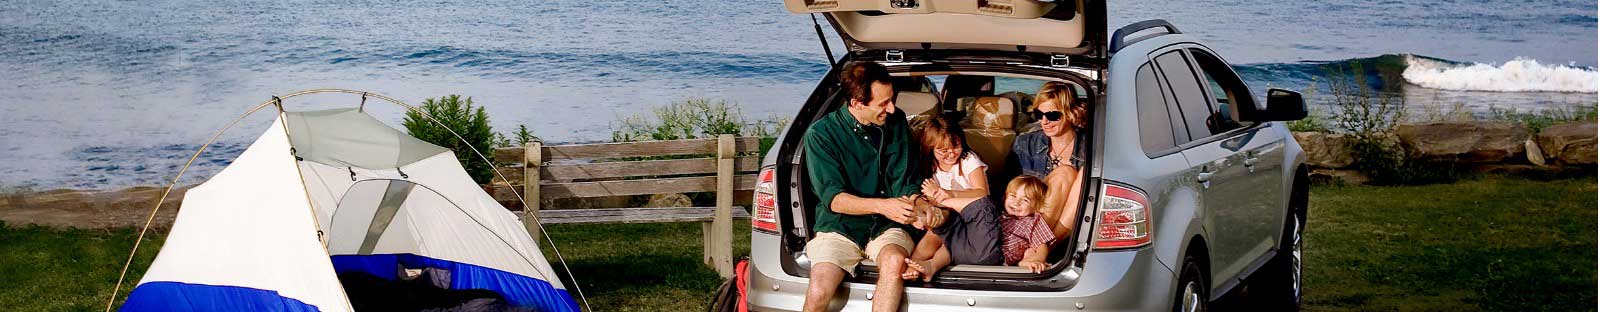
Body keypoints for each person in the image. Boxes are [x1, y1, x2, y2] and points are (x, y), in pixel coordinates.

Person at [801, 61, 943, 312]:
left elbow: (906, 181)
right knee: (819, 289)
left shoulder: (896, 120)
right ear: (857, 104)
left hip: (887, 228)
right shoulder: (821, 134)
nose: (892, 108)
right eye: (883, 103)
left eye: (892, 99)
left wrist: (919, 204)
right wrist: (883, 206)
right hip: (840, 226)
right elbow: (833, 199)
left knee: (894, 261)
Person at [899, 116, 1002, 282]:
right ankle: (916, 265)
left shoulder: (969, 160)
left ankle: (920, 263)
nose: (951, 153)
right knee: (937, 235)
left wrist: (949, 193)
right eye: (942, 150)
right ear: (930, 147)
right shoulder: (929, 166)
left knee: (941, 234)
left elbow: (982, 193)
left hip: (973, 219)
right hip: (947, 220)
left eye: (956, 146)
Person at [1011, 81, 1091, 239]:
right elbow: (1010, 191)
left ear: (1071, 113)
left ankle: (1041, 247)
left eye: (1052, 115)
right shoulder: (1025, 144)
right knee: (1065, 174)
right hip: (1025, 219)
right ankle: (1038, 246)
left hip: (1070, 229)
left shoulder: (1091, 148)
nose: (1044, 122)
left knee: (1078, 175)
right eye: (1039, 115)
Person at [999, 176, 1055, 273]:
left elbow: (1041, 245)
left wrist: (1038, 259)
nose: (1016, 202)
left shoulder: (1033, 222)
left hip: (1004, 258)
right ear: (1005, 196)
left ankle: (1025, 263)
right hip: (987, 248)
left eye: (1025, 200)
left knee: (1030, 254)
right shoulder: (998, 214)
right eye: (1013, 196)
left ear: (1036, 206)